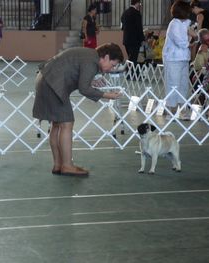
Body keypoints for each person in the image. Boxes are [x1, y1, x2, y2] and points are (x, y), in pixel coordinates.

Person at [32, 43, 124, 176]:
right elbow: (84, 89)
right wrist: (107, 95)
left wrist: (91, 82)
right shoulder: (91, 61)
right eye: (113, 64)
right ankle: (67, 166)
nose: (111, 69)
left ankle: (58, 165)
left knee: (57, 124)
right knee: (66, 123)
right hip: (53, 84)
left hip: (46, 79)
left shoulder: (89, 56)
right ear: (106, 57)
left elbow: (76, 75)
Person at [162, 0, 197, 121]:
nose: (189, 12)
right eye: (187, 10)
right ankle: (169, 112)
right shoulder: (174, 24)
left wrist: (193, 36)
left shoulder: (187, 23)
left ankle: (183, 111)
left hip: (184, 59)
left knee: (183, 85)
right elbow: (181, 42)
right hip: (173, 59)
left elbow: (193, 39)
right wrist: (192, 38)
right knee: (173, 85)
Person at [121, 0, 145, 64]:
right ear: (136, 3)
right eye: (139, 3)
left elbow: (122, 26)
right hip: (134, 41)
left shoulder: (125, 13)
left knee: (131, 58)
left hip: (126, 40)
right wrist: (142, 39)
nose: (139, 5)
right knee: (133, 59)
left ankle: (131, 72)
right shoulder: (137, 13)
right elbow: (139, 28)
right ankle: (131, 72)